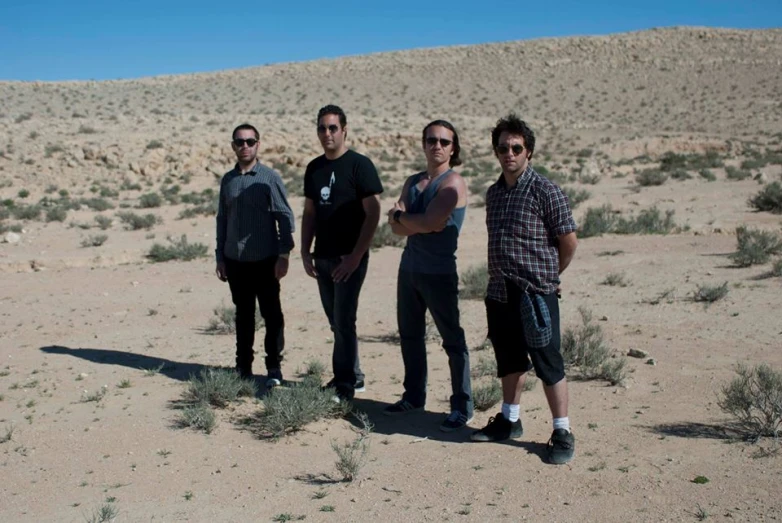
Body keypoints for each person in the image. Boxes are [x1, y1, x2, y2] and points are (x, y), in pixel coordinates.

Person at [470, 114, 579, 465]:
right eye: (503, 148)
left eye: (516, 148)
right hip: (500, 291)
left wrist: (550, 274)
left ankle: (562, 430)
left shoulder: (546, 190)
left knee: (548, 361)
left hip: (536, 292)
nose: (509, 154)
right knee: (509, 361)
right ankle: (509, 420)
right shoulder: (494, 193)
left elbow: (569, 241)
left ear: (528, 152)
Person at [383, 120, 474, 432]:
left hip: (438, 272)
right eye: (432, 140)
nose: (437, 146)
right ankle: (414, 395)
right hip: (409, 269)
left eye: (445, 142)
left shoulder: (454, 184)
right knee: (409, 335)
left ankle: (462, 405)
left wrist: (401, 216)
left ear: (453, 148)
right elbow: (396, 230)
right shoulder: (413, 182)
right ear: (423, 144)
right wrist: (409, 221)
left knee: (452, 340)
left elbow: (432, 222)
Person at [301, 105, 383, 402]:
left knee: (344, 319)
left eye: (332, 127)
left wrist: (355, 256)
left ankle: (344, 384)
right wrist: (304, 251)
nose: (327, 133)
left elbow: (373, 212)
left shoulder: (359, 165)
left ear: (344, 129)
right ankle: (354, 375)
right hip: (322, 255)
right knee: (336, 322)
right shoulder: (314, 168)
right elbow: (309, 212)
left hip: (349, 258)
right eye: (322, 128)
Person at [215, 123, 295, 389]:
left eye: (250, 141)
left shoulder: (269, 178)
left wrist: (284, 254)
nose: (245, 146)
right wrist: (220, 256)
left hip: (265, 259)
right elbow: (222, 218)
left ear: (258, 144)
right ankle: (243, 367)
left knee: (272, 314)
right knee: (243, 315)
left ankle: (273, 367)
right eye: (240, 142)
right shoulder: (228, 180)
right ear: (233, 146)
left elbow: (285, 216)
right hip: (235, 261)